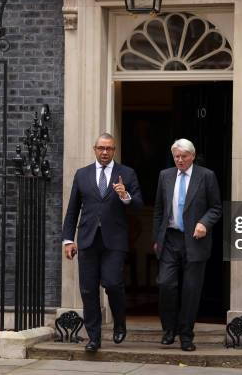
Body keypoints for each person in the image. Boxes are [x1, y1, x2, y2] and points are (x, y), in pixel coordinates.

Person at [62, 133, 143, 352]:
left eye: (109, 149)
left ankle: (119, 322)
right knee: (88, 290)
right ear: (94, 149)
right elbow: (72, 210)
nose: (105, 152)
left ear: (114, 150)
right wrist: (68, 240)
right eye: (101, 148)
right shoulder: (82, 175)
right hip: (87, 240)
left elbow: (138, 205)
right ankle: (94, 338)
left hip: (114, 241)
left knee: (112, 283)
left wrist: (125, 195)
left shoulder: (126, 173)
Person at [153, 138, 222, 351]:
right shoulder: (165, 175)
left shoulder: (206, 176)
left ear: (192, 156)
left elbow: (216, 207)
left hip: (195, 240)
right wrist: (157, 238)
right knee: (165, 284)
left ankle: (186, 336)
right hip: (170, 239)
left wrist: (204, 223)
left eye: (183, 157)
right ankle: (168, 330)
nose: (180, 160)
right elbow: (158, 210)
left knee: (191, 291)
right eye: (176, 157)